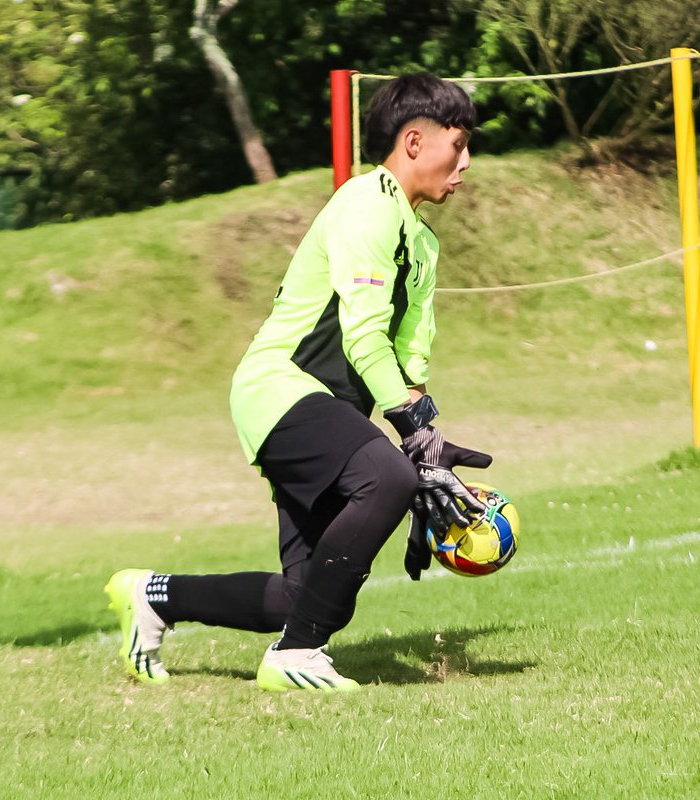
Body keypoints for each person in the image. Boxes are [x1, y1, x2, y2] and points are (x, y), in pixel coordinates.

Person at [105, 73, 493, 692]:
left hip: (327, 412)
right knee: (386, 478)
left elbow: (407, 360)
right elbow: (364, 337)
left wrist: (430, 444)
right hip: (278, 388)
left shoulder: (421, 243)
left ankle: (154, 596)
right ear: (415, 142)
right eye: (459, 144)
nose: (466, 161)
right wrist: (407, 444)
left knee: (303, 596)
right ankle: (296, 658)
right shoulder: (365, 205)